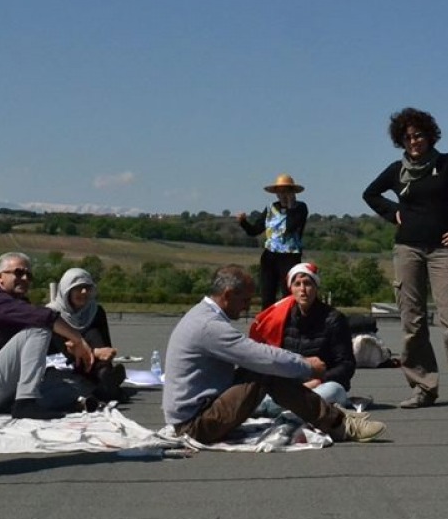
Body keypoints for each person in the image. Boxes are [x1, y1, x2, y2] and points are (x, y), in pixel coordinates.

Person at [162, 264, 385, 445]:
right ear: (228, 295)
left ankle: (334, 417)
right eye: (245, 300)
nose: (246, 308)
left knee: (269, 369)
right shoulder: (209, 326)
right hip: (195, 424)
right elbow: (262, 356)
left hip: (197, 412)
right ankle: (338, 424)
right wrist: (307, 366)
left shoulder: (202, 316)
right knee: (266, 371)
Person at [363, 107, 448, 410]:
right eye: (407, 137)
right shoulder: (396, 170)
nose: (414, 141)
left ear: (430, 135)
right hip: (407, 249)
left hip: (442, 250)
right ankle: (423, 387)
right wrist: (392, 212)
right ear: (401, 140)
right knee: (412, 321)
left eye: (419, 135)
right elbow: (370, 194)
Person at [0, 253, 102, 420]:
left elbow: (36, 348)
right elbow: (45, 318)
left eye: (28, 275)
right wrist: (78, 340)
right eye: (18, 273)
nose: (25, 278)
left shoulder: (17, 304)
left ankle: (33, 401)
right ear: (0, 278)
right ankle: (26, 402)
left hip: (1, 387)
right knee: (40, 327)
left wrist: (79, 350)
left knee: (72, 382)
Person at [248, 262, 356, 415]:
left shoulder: (334, 319)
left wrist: (319, 380)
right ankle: (285, 411)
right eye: (297, 284)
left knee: (333, 391)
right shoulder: (282, 319)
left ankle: (274, 410)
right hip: (288, 385)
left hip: (321, 384)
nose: (302, 289)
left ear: (316, 287)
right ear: (291, 288)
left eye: (307, 283)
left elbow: (346, 365)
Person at [47, 267, 130, 405]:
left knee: (93, 333)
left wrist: (105, 355)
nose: (84, 292)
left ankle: (105, 377)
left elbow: (105, 345)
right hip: (66, 362)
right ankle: (107, 386)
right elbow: (62, 348)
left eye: (87, 287)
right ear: (67, 290)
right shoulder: (51, 313)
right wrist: (94, 352)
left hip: (93, 365)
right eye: (78, 288)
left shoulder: (96, 311)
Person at [237, 174, 308, 309]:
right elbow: (255, 230)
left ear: (292, 192)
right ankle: (267, 319)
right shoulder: (271, 208)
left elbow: (290, 227)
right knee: (267, 295)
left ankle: (289, 320)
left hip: (290, 256)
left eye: (286, 191)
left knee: (288, 294)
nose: (283, 195)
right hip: (270, 256)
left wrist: (290, 206)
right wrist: (243, 222)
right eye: (280, 191)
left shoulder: (300, 208)